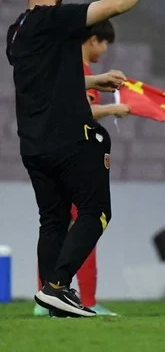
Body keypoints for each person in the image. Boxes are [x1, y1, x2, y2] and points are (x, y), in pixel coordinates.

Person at [6, 0, 165, 317]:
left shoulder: (17, 30)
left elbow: (43, 80)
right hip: (68, 136)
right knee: (95, 209)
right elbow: (116, 4)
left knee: (52, 219)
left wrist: (93, 80)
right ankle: (58, 287)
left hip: (33, 144)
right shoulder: (58, 19)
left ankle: (51, 298)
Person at [33, 20, 129, 317]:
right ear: (94, 40)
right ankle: (81, 296)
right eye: (105, 44)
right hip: (76, 154)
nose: (105, 51)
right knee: (89, 222)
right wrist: (114, 109)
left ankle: (46, 296)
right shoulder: (83, 70)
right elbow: (84, 111)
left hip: (45, 146)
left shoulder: (63, 66)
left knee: (54, 223)